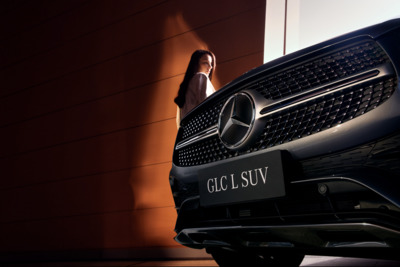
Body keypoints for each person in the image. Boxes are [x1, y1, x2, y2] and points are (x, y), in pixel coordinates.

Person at [175, 50, 216, 126]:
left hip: (189, 133)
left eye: (211, 64)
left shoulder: (186, 87)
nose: (210, 67)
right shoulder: (201, 76)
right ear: (195, 64)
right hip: (202, 128)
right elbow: (208, 106)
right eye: (205, 63)